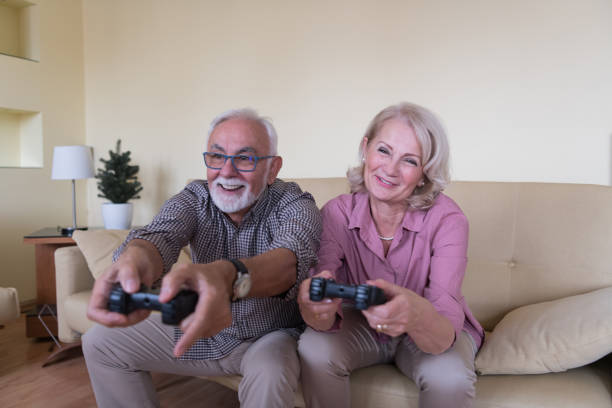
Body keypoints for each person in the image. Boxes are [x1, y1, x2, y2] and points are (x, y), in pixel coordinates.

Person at [83, 108, 322, 408]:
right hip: (200, 330)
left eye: (245, 158)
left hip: (269, 336)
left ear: (272, 168)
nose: (226, 171)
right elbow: (161, 235)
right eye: (217, 156)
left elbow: (289, 262)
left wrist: (227, 277)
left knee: (271, 373)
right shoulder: (196, 197)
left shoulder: (296, 204)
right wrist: (136, 259)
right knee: (99, 344)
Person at [297, 102, 484, 408]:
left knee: (449, 377)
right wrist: (315, 307)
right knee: (315, 348)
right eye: (383, 151)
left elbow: (441, 334)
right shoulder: (337, 213)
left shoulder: (449, 220)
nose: (390, 169)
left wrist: (413, 313)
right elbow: (319, 310)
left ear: (425, 173)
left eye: (409, 160)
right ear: (365, 149)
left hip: (429, 327)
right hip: (362, 325)